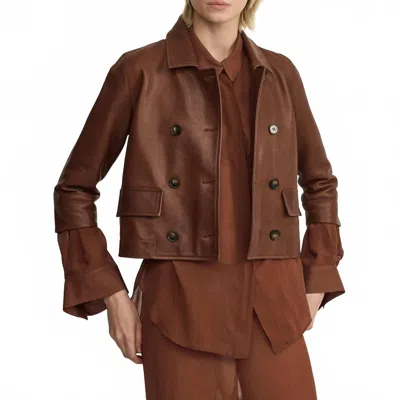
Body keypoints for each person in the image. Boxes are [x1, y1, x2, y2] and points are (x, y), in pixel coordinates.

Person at [53, 1, 345, 398]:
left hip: (274, 302)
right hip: (178, 304)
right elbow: (74, 189)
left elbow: (320, 181)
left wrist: (317, 278)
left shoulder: (280, 73)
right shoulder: (138, 70)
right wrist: (112, 293)